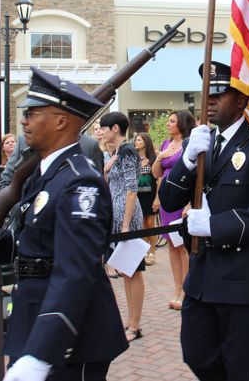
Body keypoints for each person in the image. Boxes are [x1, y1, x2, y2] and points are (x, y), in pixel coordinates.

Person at [0, 67, 128, 381]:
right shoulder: (42, 172)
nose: (24, 120)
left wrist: (42, 352)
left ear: (61, 120)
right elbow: (32, 237)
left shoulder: (79, 181)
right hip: (34, 311)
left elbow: (76, 271)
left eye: (33, 113)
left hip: (71, 333)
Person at [158, 61, 249, 381]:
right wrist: (187, 162)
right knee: (197, 354)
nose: (211, 101)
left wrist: (215, 226)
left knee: (238, 365)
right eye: (207, 94)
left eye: (220, 94)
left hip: (243, 276)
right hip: (203, 275)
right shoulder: (198, 144)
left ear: (242, 100)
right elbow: (170, 201)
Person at [100, 111, 146, 343]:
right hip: (116, 217)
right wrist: (106, 171)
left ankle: (135, 325)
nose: (101, 132)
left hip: (128, 218)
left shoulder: (127, 150)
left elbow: (131, 189)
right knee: (125, 271)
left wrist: (127, 224)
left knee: (133, 271)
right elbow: (110, 186)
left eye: (104, 128)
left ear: (115, 128)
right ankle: (130, 322)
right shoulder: (114, 153)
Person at [151, 109, 196, 310]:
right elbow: (156, 174)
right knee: (170, 245)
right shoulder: (165, 144)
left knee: (182, 246)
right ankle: (177, 288)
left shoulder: (189, 144)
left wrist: (189, 203)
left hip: (182, 200)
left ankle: (187, 289)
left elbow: (195, 174)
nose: (168, 124)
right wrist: (160, 157)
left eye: (172, 121)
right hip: (166, 200)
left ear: (182, 124)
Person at [134, 132, 159, 266]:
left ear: (145, 142)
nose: (136, 142)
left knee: (150, 224)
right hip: (137, 196)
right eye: (136, 140)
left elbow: (159, 179)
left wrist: (157, 199)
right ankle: (143, 252)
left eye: (139, 140)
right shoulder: (134, 158)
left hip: (151, 196)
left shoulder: (153, 158)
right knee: (141, 225)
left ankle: (152, 252)